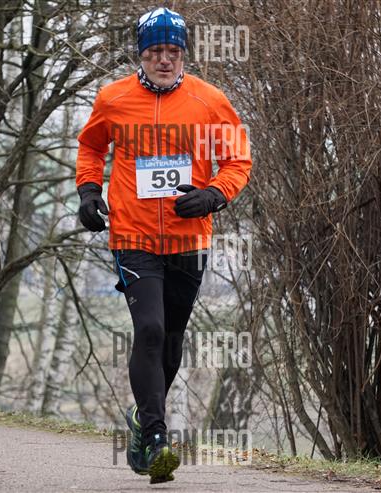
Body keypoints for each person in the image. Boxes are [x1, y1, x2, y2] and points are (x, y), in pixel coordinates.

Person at [74, 6, 252, 484]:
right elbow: (91, 146)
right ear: (141, 55)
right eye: (155, 51)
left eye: (173, 51)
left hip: (188, 239)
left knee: (171, 340)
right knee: (150, 330)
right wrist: (89, 191)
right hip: (133, 237)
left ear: (184, 55)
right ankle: (156, 438)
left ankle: (140, 418)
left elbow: (238, 159)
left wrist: (214, 195)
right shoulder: (113, 98)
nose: (165, 60)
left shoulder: (209, 101)